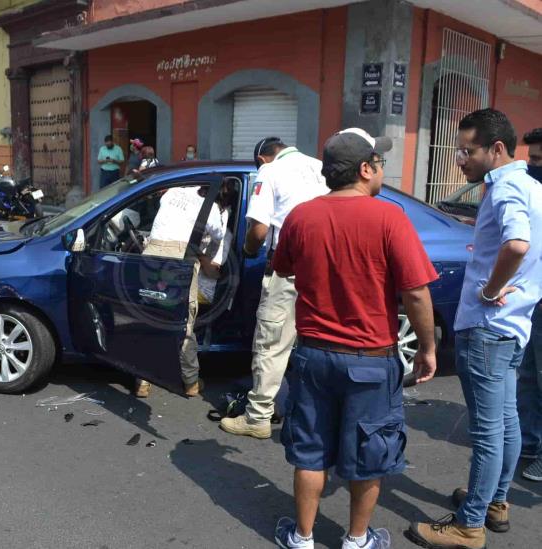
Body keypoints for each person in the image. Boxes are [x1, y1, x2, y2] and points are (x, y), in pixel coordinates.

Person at [271, 128, 438, 549]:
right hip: (370, 358)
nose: (381, 170)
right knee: (370, 453)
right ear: (365, 169)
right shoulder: (389, 218)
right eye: (379, 163)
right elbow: (415, 292)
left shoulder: (301, 216)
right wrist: (428, 347)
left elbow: (284, 268)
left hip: (313, 356)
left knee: (310, 451)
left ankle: (303, 538)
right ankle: (357, 539)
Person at [409, 110, 542, 549]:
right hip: (513, 324)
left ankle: (470, 524)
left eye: (468, 151)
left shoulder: (506, 188)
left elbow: (518, 244)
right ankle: (494, 501)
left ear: (496, 149)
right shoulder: (532, 187)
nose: (461, 160)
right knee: (506, 422)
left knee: (487, 431)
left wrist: (492, 289)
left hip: (489, 326)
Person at [220, 137, 327, 440]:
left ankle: (257, 417)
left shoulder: (269, 172)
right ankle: (315, 416)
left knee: (272, 343)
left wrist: (249, 250)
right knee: (316, 344)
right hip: (325, 271)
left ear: (263, 159)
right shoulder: (320, 167)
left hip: (290, 270)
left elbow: (259, 228)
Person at [135, 182, 227, 398]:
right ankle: (191, 382)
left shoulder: (174, 192)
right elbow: (218, 236)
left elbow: (164, 213)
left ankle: (142, 382)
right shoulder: (211, 207)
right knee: (183, 319)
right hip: (180, 257)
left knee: (151, 316)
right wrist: (206, 258)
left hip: (152, 253)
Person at [518, 128, 542, 482]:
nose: (531, 164)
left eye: (538, 160)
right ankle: (530, 440)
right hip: (533, 298)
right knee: (527, 375)